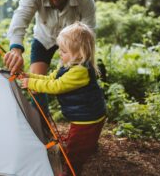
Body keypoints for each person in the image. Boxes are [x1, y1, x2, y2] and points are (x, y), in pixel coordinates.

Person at [4, 0, 96, 113]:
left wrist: (84, 61)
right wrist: (15, 48)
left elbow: (89, 34)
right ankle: (43, 125)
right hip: (43, 38)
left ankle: (82, 114)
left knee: (75, 80)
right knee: (35, 85)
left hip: (72, 44)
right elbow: (20, 17)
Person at [21, 22, 106, 176]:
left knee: (74, 152)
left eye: (64, 50)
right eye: (60, 48)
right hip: (82, 117)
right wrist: (29, 76)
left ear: (79, 53)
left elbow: (56, 86)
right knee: (77, 144)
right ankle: (84, 149)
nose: (60, 53)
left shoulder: (80, 72)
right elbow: (49, 78)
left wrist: (32, 84)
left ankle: (71, 171)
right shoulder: (68, 66)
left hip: (88, 119)